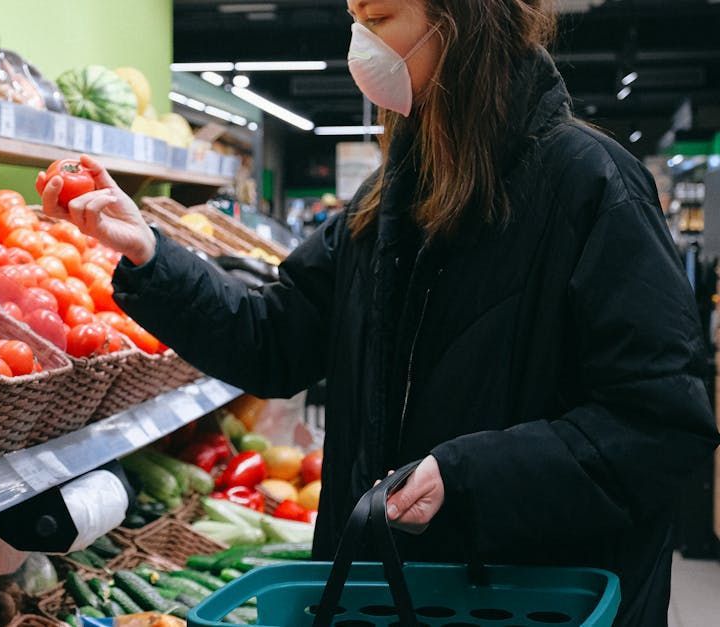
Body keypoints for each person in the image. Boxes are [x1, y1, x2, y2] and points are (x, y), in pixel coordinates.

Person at [37, 1, 720, 624]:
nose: (359, 45)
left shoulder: (591, 187)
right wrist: (150, 255)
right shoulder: (388, 201)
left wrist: (469, 475)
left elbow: (660, 423)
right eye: (354, 19)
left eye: (381, 17)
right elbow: (274, 338)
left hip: (528, 602)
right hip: (388, 595)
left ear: (461, 21)